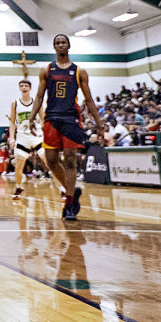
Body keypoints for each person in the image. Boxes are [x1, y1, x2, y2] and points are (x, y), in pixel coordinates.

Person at [32, 34, 104, 222]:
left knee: (71, 161)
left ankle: (70, 203)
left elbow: (88, 99)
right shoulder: (46, 70)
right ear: (54, 47)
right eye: (57, 42)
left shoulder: (79, 71)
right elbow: (39, 97)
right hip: (51, 118)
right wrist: (32, 117)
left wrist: (99, 123)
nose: (60, 45)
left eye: (63, 42)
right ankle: (73, 190)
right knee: (51, 161)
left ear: (68, 46)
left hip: (71, 119)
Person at [8, 79, 46, 200]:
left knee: (48, 160)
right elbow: (12, 122)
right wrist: (12, 137)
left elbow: (43, 119)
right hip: (22, 136)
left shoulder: (36, 101)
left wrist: (48, 135)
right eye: (21, 86)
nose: (24, 87)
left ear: (30, 88)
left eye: (26, 86)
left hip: (37, 135)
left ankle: (62, 189)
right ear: (19, 88)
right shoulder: (15, 103)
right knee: (18, 166)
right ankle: (19, 187)